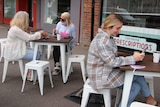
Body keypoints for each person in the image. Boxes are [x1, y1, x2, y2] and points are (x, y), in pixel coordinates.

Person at [86, 13, 160, 107]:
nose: (119, 31)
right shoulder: (103, 41)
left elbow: (110, 56)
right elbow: (112, 62)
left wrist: (130, 56)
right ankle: (150, 99)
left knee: (136, 86)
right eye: (117, 28)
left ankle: (125, 104)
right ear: (109, 26)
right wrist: (132, 58)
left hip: (104, 72)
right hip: (100, 78)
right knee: (136, 74)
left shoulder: (106, 37)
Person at [4, 11, 48, 79]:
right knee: (37, 54)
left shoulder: (15, 28)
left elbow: (26, 36)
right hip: (15, 52)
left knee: (37, 52)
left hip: (16, 49)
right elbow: (28, 38)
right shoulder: (16, 30)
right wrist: (39, 33)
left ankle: (34, 70)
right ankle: (31, 73)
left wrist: (29, 31)